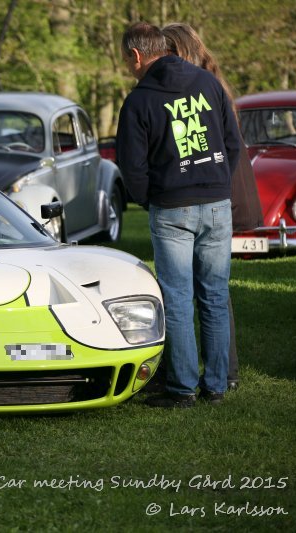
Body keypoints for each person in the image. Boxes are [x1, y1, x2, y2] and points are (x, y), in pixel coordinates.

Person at [116, 22, 243, 408]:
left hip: (172, 207)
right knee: (215, 295)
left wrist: (148, 200)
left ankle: (183, 388)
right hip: (218, 204)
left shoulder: (139, 102)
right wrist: (218, 182)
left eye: (127, 61)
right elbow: (233, 143)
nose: (128, 68)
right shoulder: (208, 83)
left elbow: (132, 168)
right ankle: (217, 385)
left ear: (137, 56)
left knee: (178, 297)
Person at [160, 22, 264, 391]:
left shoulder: (195, 89)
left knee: (197, 290)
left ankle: (196, 374)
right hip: (218, 194)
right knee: (213, 291)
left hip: (208, 195)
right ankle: (222, 375)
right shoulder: (212, 83)